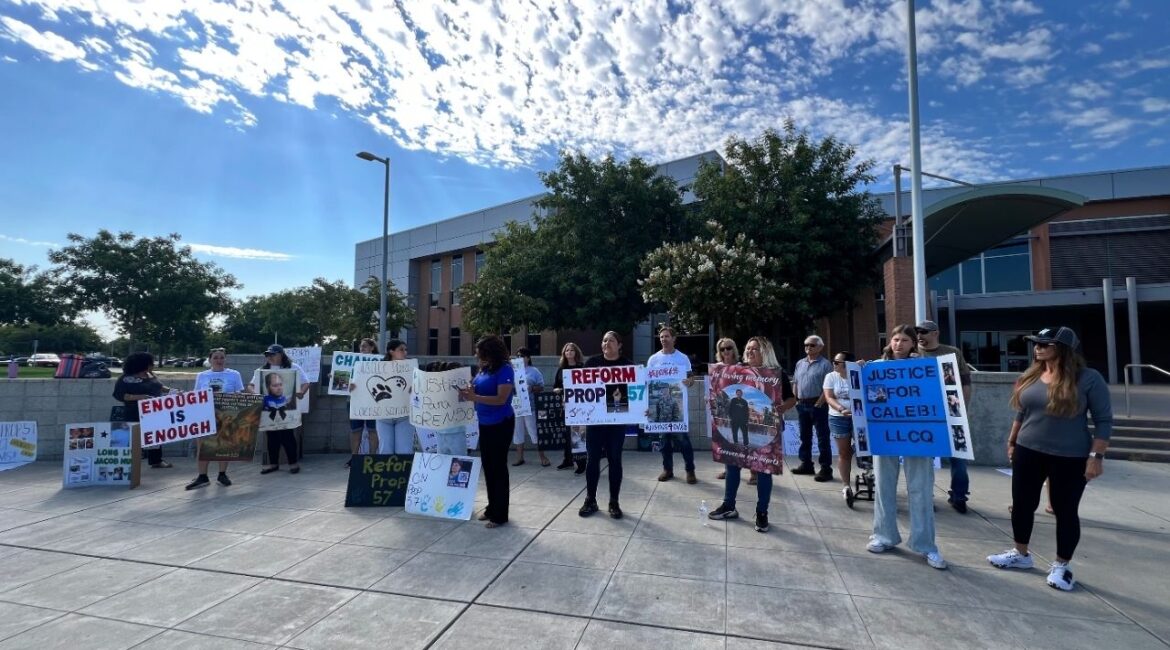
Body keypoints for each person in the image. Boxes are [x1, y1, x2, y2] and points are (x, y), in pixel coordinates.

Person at [987, 326, 1112, 591]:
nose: (1038, 348)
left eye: (1045, 344)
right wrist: (1012, 441)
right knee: (1022, 505)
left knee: (1065, 510)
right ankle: (1021, 554)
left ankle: (1061, 565)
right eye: (1036, 343)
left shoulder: (1088, 379)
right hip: (1028, 450)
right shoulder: (1032, 375)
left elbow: (1104, 421)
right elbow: (1022, 412)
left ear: (1064, 349)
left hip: (1070, 456)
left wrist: (1096, 457)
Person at [867, 324, 948, 570]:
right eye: (895, 339)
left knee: (921, 488)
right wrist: (861, 373)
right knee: (883, 486)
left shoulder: (925, 368)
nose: (899, 344)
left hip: (918, 434)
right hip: (886, 433)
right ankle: (884, 535)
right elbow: (874, 400)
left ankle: (925, 544)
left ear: (913, 343)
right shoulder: (877, 367)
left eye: (904, 340)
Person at [708, 337, 796, 533]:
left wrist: (780, 409)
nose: (749, 352)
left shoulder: (775, 374)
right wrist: (713, 399)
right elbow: (722, 393)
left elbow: (792, 399)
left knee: (763, 470)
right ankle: (729, 506)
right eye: (748, 348)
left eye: (754, 349)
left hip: (767, 431)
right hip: (735, 427)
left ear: (765, 352)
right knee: (732, 465)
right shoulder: (737, 371)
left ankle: (761, 512)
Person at [916, 320, 975, 513]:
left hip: (952, 412)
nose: (919, 335)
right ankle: (926, 497)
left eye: (924, 332)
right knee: (925, 459)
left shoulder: (952, 353)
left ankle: (959, 496)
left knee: (958, 458)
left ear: (936, 333)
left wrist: (962, 409)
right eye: (917, 332)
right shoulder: (913, 353)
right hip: (924, 414)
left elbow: (965, 382)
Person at [458, 335, 515, 528]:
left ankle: (500, 515)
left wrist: (475, 397)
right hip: (485, 423)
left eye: (480, 352)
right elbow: (475, 388)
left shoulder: (505, 369)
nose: (477, 355)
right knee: (489, 467)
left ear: (490, 352)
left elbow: (501, 399)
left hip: (501, 423)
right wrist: (468, 391)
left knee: (498, 468)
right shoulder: (484, 368)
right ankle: (492, 507)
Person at [578, 331, 632, 519]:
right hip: (596, 419)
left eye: (611, 340)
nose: (606, 343)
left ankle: (614, 502)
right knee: (592, 459)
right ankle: (590, 500)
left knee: (615, 459)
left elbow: (636, 392)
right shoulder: (592, 363)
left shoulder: (627, 365)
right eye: (604, 340)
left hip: (617, 419)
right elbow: (581, 389)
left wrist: (641, 408)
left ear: (619, 345)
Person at [187, 347, 244, 490]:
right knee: (202, 446)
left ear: (226, 359)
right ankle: (202, 476)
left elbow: (240, 394)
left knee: (224, 445)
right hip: (205, 414)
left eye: (222, 357)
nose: (219, 360)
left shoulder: (234, 374)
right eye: (216, 357)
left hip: (226, 414)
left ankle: (222, 474)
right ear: (210, 360)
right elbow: (196, 395)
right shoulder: (202, 375)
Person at [250, 344, 310, 475]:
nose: (269, 357)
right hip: (268, 411)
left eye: (273, 354)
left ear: (281, 355)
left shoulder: (293, 367)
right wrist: (255, 394)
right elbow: (251, 385)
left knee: (287, 436)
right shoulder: (262, 370)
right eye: (268, 355)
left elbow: (306, 382)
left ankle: (293, 463)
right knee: (271, 437)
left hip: (287, 410)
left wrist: (301, 392)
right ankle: (273, 464)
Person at [648, 326, 696, 484]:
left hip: (677, 409)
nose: (663, 339)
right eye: (661, 337)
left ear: (674, 338)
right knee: (664, 442)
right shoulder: (653, 359)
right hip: (662, 410)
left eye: (667, 336)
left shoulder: (682, 358)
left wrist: (689, 382)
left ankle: (690, 470)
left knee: (683, 441)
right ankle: (667, 470)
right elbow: (648, 381)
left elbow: (691, 379)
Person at [112, 352, 174, 469]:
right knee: (135, 438)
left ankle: (156, 460)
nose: (153, 365)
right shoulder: (126, 378)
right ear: (142, 364)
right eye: (151, 363)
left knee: (155, 436)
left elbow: (160, 387)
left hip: (153, 412)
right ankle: (131, 460)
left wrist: (173, 391)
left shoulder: (150, 375)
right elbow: (119, 395)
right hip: (134, 412)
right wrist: (141, 397)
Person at [792, 335, 834, 481]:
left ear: (820, 347)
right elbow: (796, 382)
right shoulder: (800, 363)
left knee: (822, 438)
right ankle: (806, 464)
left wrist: (819, 402)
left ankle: (826, 468)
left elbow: (828, 386)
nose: (808, 347)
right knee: (804, 436)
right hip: (802, 405)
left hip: (818, 405)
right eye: (806, 345)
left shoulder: (826, 365)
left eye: (812, 345)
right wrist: (796, 399)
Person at [822, 351, 857, 505]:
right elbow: (829, 397)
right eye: (833, 361)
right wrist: (841, 409)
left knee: (864, 448)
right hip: (838, 417)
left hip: (859, 417)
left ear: (847, 364)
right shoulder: (831, 376)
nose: (834, 364)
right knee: (844, 452)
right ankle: (846, 485)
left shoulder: (858, 373)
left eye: (837, 362)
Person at [374, 339, 415, 456]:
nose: (405, 352)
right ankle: (386, 469)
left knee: (404, 451)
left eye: (406, 350)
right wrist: (353, 386)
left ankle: (404, 469)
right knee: (385, 450)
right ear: (391, 351)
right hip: (383, 415)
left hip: (404, 415)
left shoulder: (411, 367)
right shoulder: (377, 368)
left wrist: (415, 388)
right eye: (401, 349)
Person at [511, 347, 548, 467]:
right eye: (517, 356)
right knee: (517, 432)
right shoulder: (512, 371)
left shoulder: (534, 371)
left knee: (534, 431)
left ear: (528, 358)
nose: (519, 358)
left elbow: (541, 387)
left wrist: (531, 388)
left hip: (530, 406)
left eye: (521, 356)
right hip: (516, 405)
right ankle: (520, 458)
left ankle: (543, 457)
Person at [553, 342, 586, 473]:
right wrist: (559, 391)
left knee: (579, 434)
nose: (569, 352)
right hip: (566, 407)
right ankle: (568, 460)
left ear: (576, 352)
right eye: (567, 350)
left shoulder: (582, 368)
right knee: (567, 435)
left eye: (572, 350)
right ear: (564, 353)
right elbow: (555, 386)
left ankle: (581, 463)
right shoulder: (561, 370)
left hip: (580, 407)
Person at [346, 338, 379, 468]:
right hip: (354, 400)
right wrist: (335, 379)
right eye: (361, 346)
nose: (361, 349)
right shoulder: (352, 363)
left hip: (373, 402)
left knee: (373, 430)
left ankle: (372, 458)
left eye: (364, 346)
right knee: (355, 430)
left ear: (372, 348)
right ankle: (354, 458)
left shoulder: (379, 363)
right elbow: (343, 380)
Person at [712, 337, 739, 481]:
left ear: (734, 349)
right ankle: (728, 469)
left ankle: (754, 472)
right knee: (726, 440)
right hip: (723, 408)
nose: (726, 351)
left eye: (729, 348)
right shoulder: (716, 368)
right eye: (722, 349)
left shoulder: (742, 367)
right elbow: (713, 387)